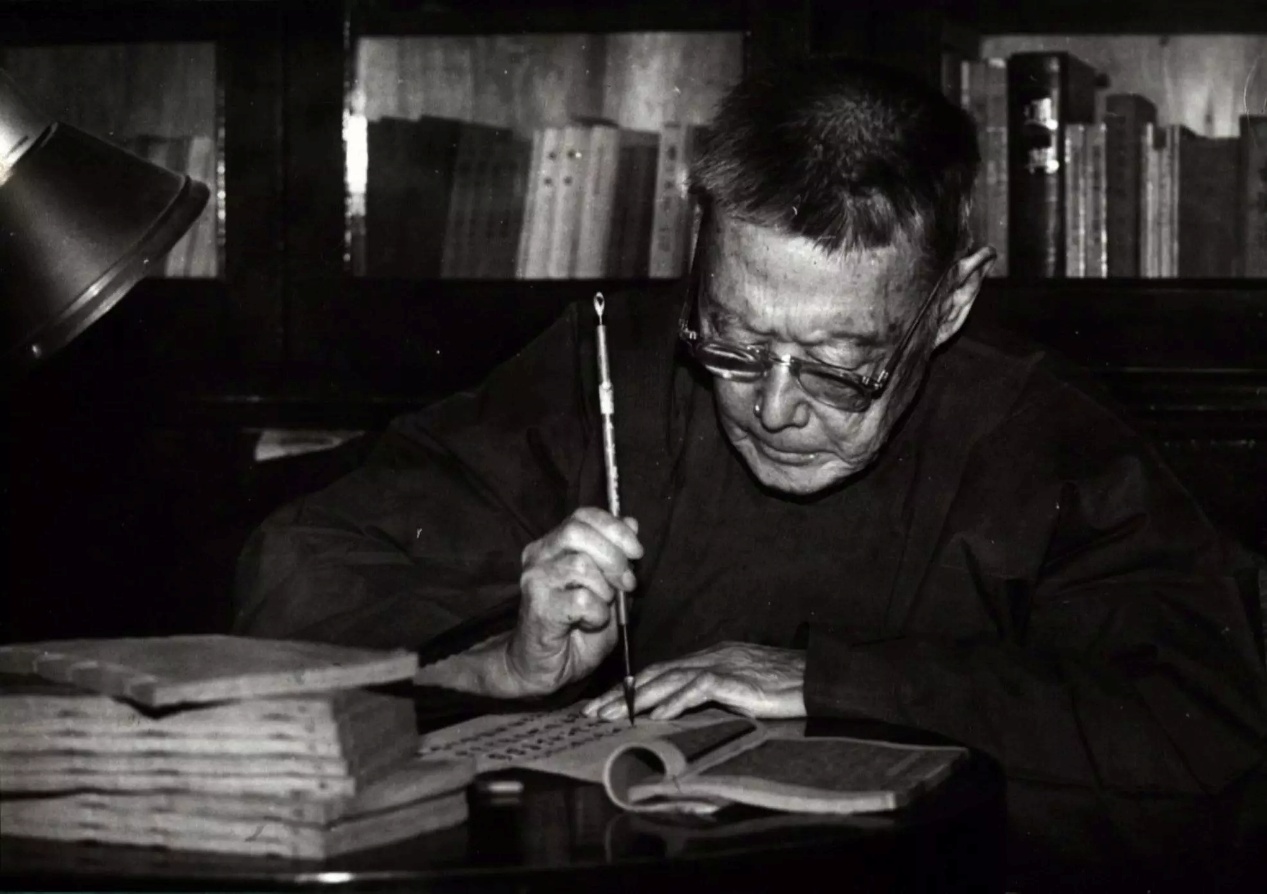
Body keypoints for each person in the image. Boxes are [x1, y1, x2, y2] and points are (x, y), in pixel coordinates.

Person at [234, 58, 1267, 795]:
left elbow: (1201, 718)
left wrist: (827, 679)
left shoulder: (1046, 443)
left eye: (840, 363)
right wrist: (499, 663)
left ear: (949, 303)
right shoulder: (607, 367)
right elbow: (298, 564)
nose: (771, 408)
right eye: (729, 341)